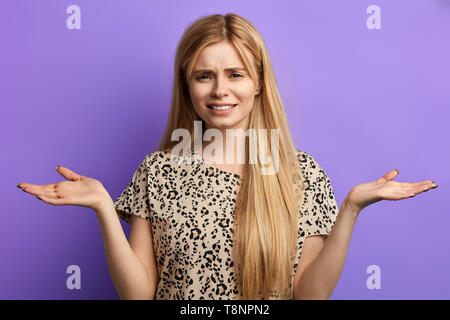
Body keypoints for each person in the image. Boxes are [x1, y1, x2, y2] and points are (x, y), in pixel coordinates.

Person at [16, 13, 438, 300]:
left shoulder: (299, 173)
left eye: (235, 74)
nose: (220, 90)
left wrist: (350, 209)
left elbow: (308, 295)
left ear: (257, 83)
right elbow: (139, 293)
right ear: (188, 85)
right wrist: (105, 208)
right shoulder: (158, 171)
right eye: (205, 76)